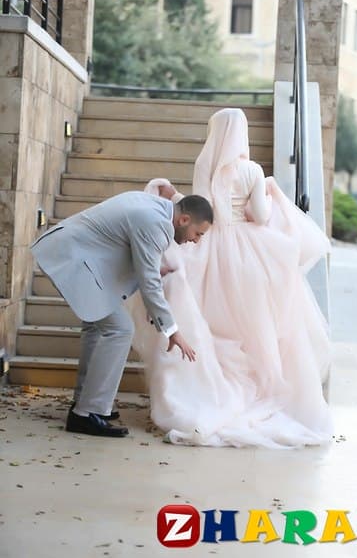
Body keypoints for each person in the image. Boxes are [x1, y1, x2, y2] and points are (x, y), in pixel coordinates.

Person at [130, 108, 333, 448]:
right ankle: (260, 393)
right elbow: (261, 216)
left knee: (211, 323)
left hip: (210, 249)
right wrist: (266, 193)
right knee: (254, 329)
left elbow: (202, 209)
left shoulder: (205, 164)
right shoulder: (253, 170)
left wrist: (176, 197)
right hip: (251, 254)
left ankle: (209, 393)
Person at [30, 191, 213, 437]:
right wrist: (172, 330)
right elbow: (148, 282)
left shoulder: (155, 209)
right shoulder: (156, 223)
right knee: (120, 329)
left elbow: (131, 250)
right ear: (184, 220)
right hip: (72, 258)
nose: (196, 240)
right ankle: (87, 413)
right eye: (198, 234)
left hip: (71, 253)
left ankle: (86, 403)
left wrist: (154, 270)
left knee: (98, 327)